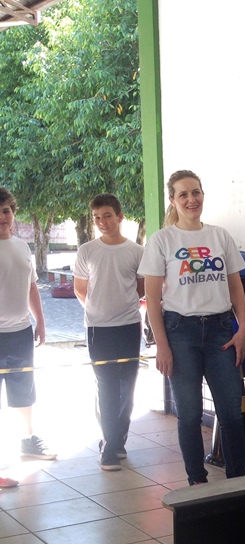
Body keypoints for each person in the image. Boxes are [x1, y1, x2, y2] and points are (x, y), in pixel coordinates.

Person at [139, 170, 245, 485]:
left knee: (231, 412)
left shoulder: (220, 236)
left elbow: (236, 287)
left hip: (220, 330)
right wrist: (162, 345)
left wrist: (243, 327)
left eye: (196, 192)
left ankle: (239, 482)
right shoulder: (162, 240)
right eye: (184, 194)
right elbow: (152, 298)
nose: (191, 199)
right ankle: (197, 483)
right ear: (173, 200)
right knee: (189, 415)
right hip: (180, 331)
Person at [73, 194, 144, 471]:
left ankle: (118, 439)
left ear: (120, 216)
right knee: (106, 385)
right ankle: (108, 445)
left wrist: (122, 307)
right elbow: (80, 289)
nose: (102, 222)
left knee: (128, 386)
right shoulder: (87, 251)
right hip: (98, 329)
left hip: (129, 327)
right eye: (97, 218)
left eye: (107, 216)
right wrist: (98, 310)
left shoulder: (136, 251)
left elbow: (141, 288)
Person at [0, 186, 57, 469]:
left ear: (13, 212)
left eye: (6, 211)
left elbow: (31, 286)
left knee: (24, 390)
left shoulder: (22, 247)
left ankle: (28, 441)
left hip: (21, 333)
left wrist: (40, 322)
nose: (2, 217)